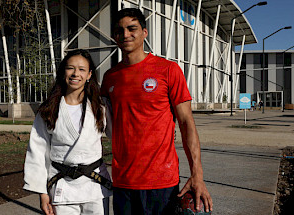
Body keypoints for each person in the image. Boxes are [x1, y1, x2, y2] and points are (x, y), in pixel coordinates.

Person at [101, 8, 213, 214]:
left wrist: (197, 174)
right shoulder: (110, 77)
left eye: (131, 28)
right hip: (123, 181)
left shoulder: (168, 70)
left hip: (161, 181)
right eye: (119, 30)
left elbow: (187, 122)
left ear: (144, 32)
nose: (125, 34)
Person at [24, 49, 112, 215]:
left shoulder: (100, 107)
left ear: (89, 75)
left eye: (81, 69)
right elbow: (37, 151)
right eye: (70, 68)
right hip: (62, 185)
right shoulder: (49, 109)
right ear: (63, 71)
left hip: (94, 185)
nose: (75, 74)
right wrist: (42, 193)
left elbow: (120, 134)